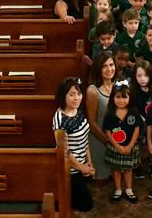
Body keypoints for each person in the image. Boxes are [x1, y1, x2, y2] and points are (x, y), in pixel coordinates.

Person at [52, 76, 95, 212]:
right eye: (71, 95)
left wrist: (89, 162)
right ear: (63, 96)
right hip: (70, 168)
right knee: (86, 206)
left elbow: (85, 138)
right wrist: (81, 167)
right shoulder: (60, 119)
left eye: (79, 94)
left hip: (82, 163)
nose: (76, 98)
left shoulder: (78, 110)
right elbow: (64, 151)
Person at [103, 79, 141, 204]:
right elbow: (108, 131)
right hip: (115, 147)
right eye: (118, 97)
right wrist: (117, 146)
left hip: (130, 146)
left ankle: (129, 190)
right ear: (113, 98)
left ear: (130, 98)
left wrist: (130, 146)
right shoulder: (110, 114)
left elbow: (136, 129)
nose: (121, 100)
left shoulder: (133, 112)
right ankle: (118, 190)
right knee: (116, 169)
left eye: (124, 97)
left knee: (128, 169)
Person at [86, 52, 117, 182]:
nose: (109, 69)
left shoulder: (119, 86)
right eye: (105, 66)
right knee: (102, 182)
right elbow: (92, 123)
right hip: (100, 141)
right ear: (98, 69)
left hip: (117, 139)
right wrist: (108, 142)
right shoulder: (93, 91)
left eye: (111, 65)